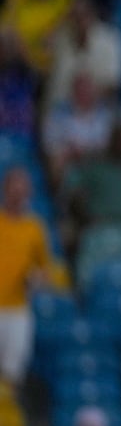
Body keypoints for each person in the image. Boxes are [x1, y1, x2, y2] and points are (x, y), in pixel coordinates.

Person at [0, 166, 51, 391]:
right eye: (14, 189)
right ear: (5, 190)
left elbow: (45, 269)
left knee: (12, 374)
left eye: (23, 190)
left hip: (18, 310)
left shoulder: (34, 228)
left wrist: (37, 278)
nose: (18, 195)